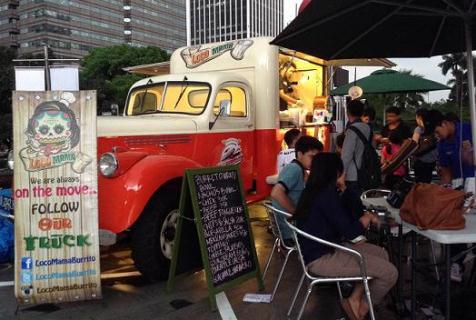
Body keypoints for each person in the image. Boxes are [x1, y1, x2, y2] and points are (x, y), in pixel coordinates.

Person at [294, 153, 398, 320]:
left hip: (325, 248)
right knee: (390, 273)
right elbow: (351, 231)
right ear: (335, 172)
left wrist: (345, 189)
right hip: (323, 258)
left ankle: (354, 299)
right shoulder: (326, 196)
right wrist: (368, 218)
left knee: (382, 254)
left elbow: (348, 219)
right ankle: (361, 310)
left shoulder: (314, 191)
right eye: (342, 171)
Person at [434, 111, 475, 282]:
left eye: (437, 131)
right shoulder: (442, 144)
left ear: (445, 124)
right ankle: (457, 263)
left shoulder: (469, 129)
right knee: (456, 223)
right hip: (459, 185)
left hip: (473, 180)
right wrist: (446, 190)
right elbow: (446, 171)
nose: (437, 136)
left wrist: (469, 154)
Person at [271, 136, 323, 245]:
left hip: (290, 227)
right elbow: (276, 192)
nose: (315, 161)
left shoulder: (300, 170)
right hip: (291, 231)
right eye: (311, 157)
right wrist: (296, 213)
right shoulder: (294, 169)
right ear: (299, 154)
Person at [341, 99, 371, 195]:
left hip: (351, 174)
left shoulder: (351, 130)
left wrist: (342, 174)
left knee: (351, 203)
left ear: (348, 112)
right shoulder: (367, 128)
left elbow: (347, 154)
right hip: (364, 171)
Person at [411, 108, 438, 183]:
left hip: (420, 161)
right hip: (432, 161)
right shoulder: (433, 128)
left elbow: (414, 144)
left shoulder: (419, 129)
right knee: (428, 181)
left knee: (420, 183)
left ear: (419, 117)